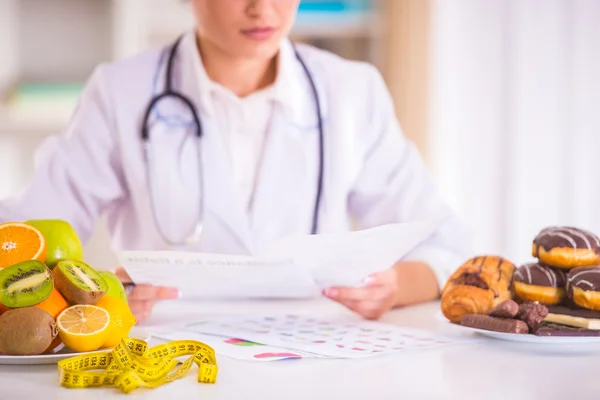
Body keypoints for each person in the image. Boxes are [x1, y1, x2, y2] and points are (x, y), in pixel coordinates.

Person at [0, 0, 471, 323]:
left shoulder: (351, 90)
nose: (262, 8)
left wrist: (394, 285)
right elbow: (30, 243)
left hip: (314, 360)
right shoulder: (120, 91)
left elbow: (444, 244)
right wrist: (102, 290)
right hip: (167, 355)